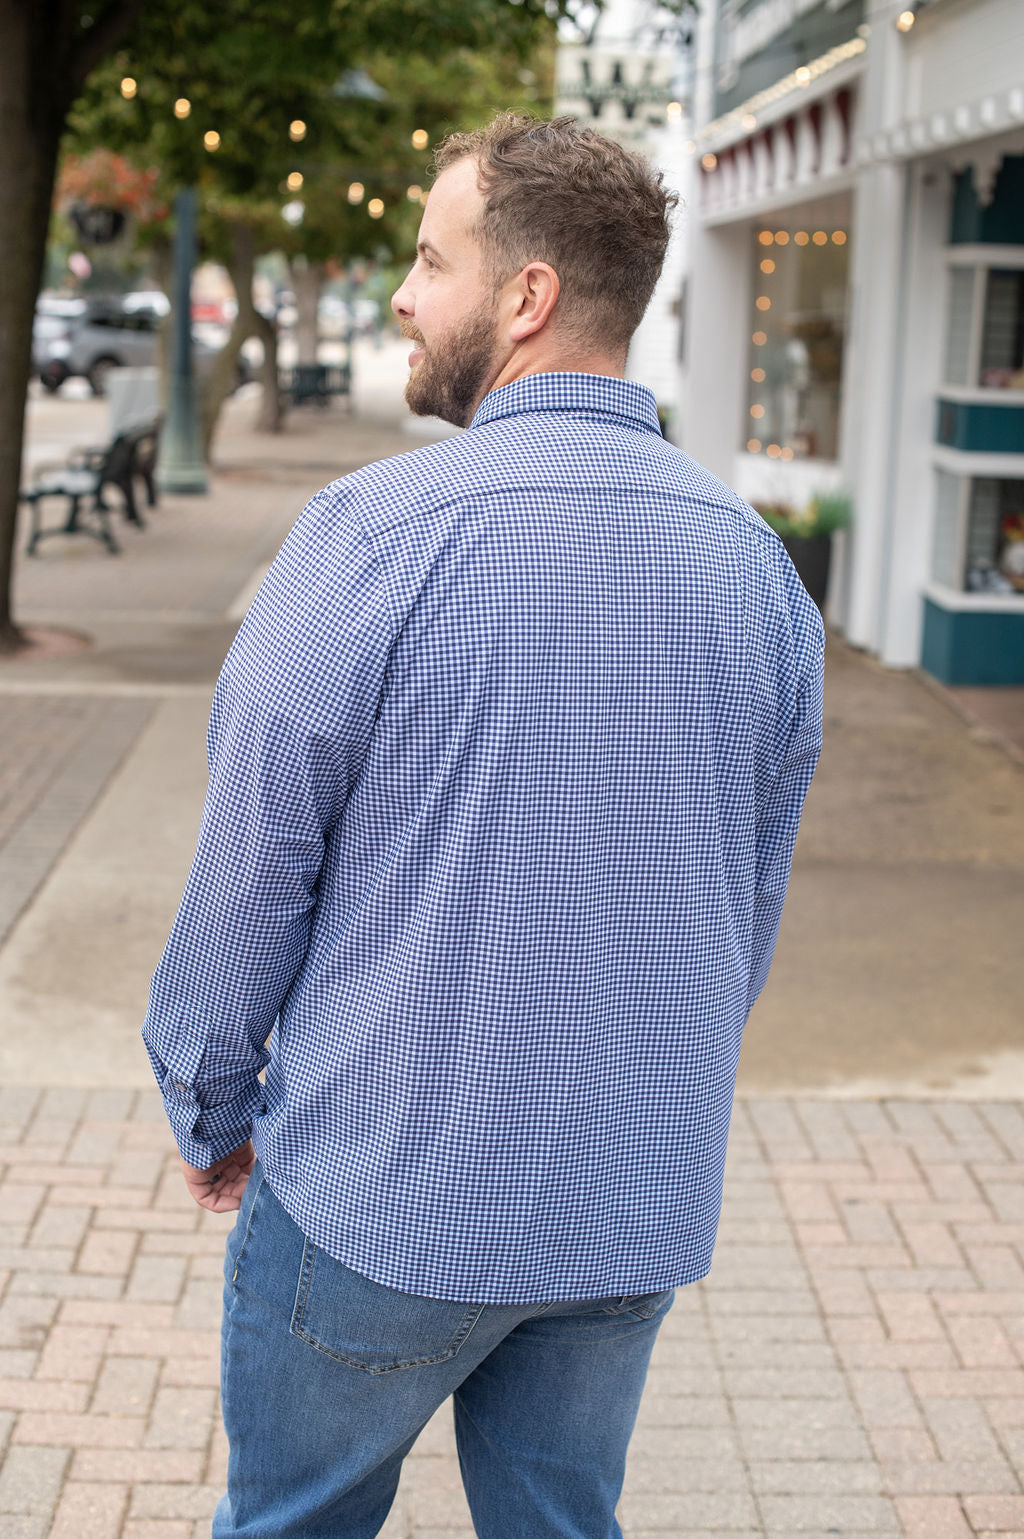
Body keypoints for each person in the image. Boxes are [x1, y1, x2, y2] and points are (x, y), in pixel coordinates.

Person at [143, 112, 824, 1539]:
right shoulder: (756, 573)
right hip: (628, 1199)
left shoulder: (370, 536)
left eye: (429, 258)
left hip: (379, 1198)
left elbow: (254, 863)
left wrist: (209, 1101)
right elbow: (745, 906)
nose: (400, 291)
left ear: (527, 298)